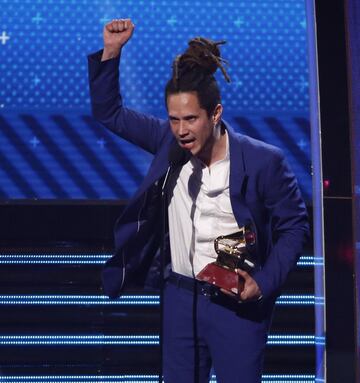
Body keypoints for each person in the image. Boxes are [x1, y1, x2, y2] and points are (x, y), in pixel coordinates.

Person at [88, 18, 309, 383]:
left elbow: (294, 227)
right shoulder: (167, 143)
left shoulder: (264, 161)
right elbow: (109, 113)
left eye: (190, 119)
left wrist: (263, 282)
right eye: (174, 119)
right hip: (180, 299)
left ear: (216, 113)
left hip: (235, 306)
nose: (181, 130)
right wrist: (112, 52)